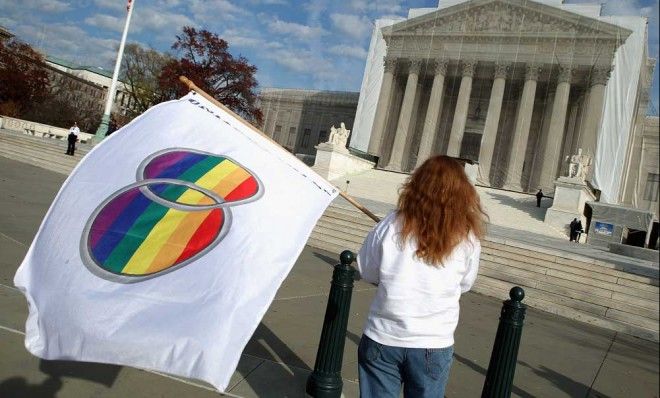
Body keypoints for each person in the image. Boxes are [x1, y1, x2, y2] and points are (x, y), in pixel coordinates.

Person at [356, 156, 486, 398]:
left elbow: (366, 269)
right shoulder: (467, 238)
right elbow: (466, 283)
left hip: (384, 335)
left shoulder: (391, 223)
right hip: (433, 341)